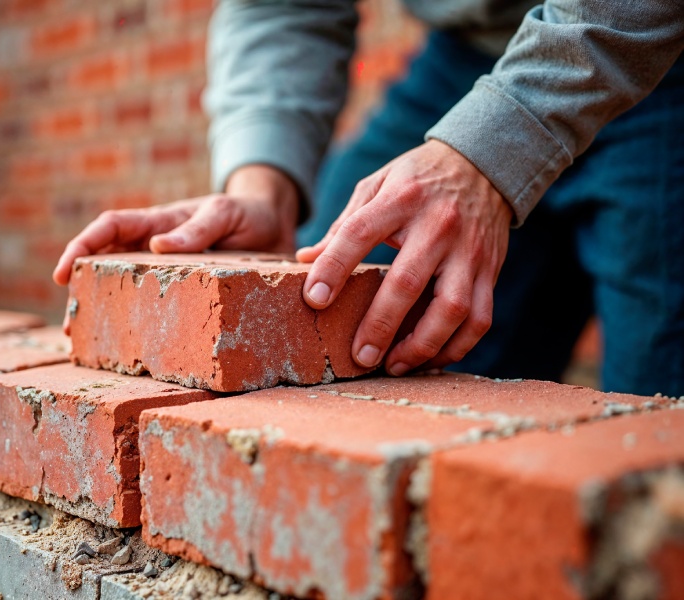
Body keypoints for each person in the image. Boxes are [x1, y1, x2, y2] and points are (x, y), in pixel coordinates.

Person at [54, 0, 684, 396]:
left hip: (655, 41)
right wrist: (262, 189)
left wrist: (495, 146)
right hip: (468, 56)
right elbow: (284, 9)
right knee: (336, 309)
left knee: (655, 415)